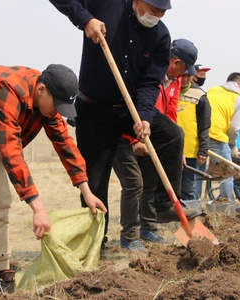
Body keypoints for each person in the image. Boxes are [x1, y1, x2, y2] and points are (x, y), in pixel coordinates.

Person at [0, 64, 107, 293]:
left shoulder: (47, 107)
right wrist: (38, 209)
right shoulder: (8, 91)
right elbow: (11, 151)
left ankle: (2, 269)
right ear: (42, 90)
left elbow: (65, 145)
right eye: (57, 105)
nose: (58, 112)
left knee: (0, 199)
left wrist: (87, 191)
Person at [49, 0, 200, 249]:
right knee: (96, 181)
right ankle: (96, 242)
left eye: (162, 13)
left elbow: (150, 83)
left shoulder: (161, 36)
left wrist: (144, 117)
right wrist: (85, 18)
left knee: (172, 135)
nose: (157, 16)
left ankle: (163, 204)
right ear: (138, 1)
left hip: (129, 111)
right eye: (153, 10)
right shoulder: (106, 5)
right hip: (94, 110)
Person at [112, 38, 199, 252]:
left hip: (153, 134)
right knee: (135, 184)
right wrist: (136, 140)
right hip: (127, 133)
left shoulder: (176, 81)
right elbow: (130, 107)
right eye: (185, 69)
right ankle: (130, 237)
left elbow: (170, 114)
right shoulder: (149, 72)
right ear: (175, 62)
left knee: (150, 180)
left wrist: (174, 147)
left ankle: (150, 227)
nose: (186, 76)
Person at [206, 72, 240, 202]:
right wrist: (233, 145)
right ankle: (227, 206)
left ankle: (193, 207)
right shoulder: (239, 100)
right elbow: (235, 128)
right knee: (227, 173)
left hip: (198, 134)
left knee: (198, 173)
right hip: (216, 137)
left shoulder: (211, 91)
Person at [177, 67, 211, 202]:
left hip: (190, 151)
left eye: (188, 76)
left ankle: (191, 217)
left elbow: (204, 126)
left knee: (188, 188)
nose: (184, 79)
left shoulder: (200, 96)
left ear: (193, 77)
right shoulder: (169, 91)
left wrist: (203, 150)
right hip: (171, 150)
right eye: (182, 75)